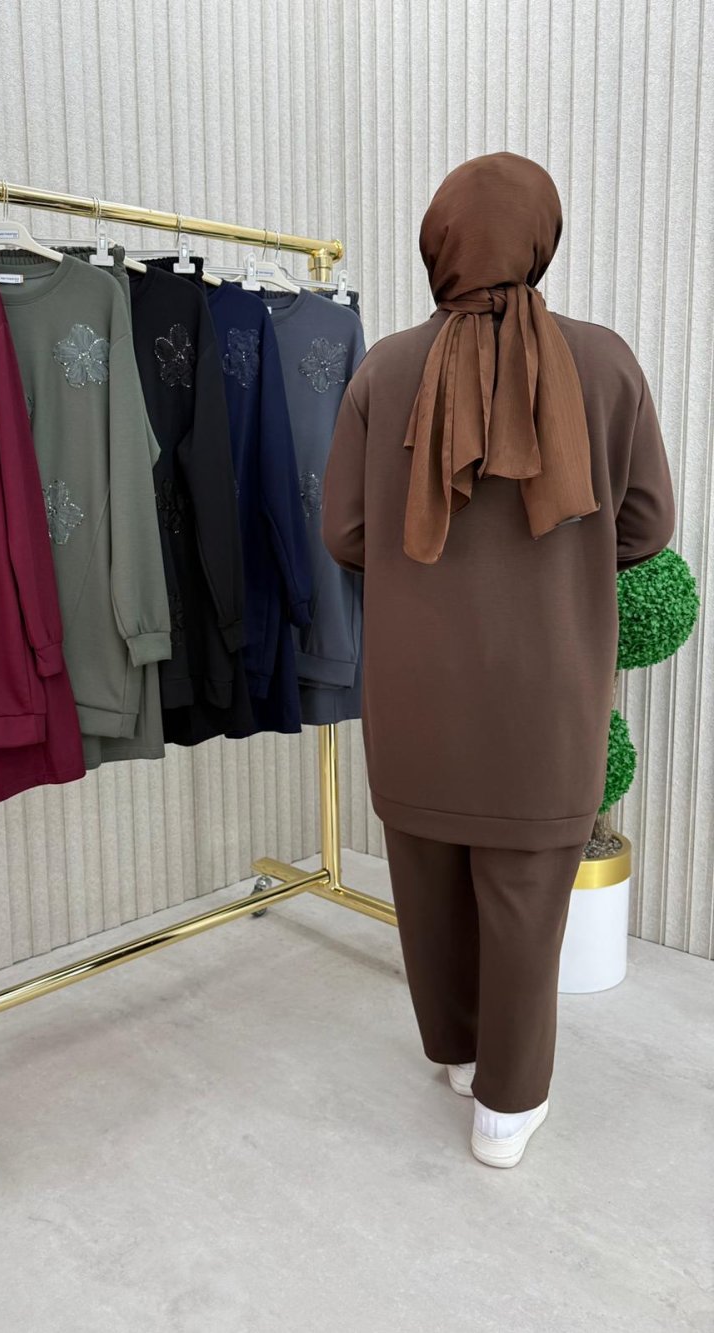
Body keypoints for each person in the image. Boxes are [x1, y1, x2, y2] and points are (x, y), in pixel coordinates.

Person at [321, 152, 675, 1168]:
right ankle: (506, 1112)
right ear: (540, 240)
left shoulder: (382, 370)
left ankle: (457, 1054)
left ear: (436, 244)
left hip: (416, 687)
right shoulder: (605, 363)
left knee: (427, 881)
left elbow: (345, 531)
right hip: (547, 690)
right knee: (525, 899)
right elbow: (647, 524)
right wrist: (564, 550)